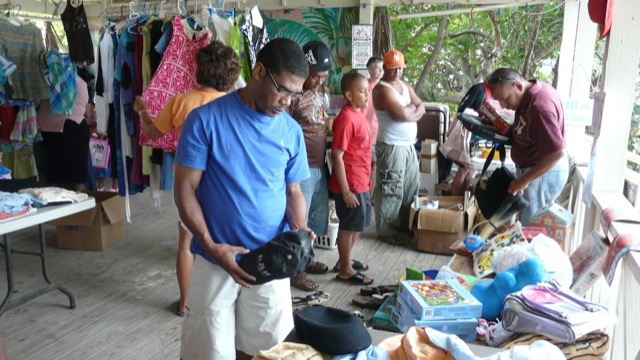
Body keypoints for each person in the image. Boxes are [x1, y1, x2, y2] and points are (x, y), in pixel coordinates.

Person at [174, 38, 312, 360]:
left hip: (271, 260)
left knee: (267, 352)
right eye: (283, 90)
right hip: (214, 259)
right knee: (208, 353)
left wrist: (301, 228)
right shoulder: (205, 120)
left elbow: (293, 192)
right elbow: (184, 190)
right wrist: (210, 245)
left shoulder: (290, 132)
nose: (288, 101)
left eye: (296, 93)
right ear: (259, 70)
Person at [133, 41, 240, 317]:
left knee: (187, 244)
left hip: (190, 187)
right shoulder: (237, 104)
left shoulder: (182, 101)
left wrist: (143, 110)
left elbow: (153, 134)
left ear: (199, 69)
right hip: (225, 186)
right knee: (225, 241)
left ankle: (183, 302)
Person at [485, 68, 569, 225]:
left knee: (531, 227)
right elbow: (529, 129)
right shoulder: (527, 98)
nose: (503, 106)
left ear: (517, 85)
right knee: (529, 223)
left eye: (505, 99)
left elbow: (557, 153)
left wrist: (524, 181)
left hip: (542, 172)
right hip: (536, 170)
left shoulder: (539, 107)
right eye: (499, 101)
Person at [286, 40, 332, 291]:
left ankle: (308, 258)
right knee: (298, 220)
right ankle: (297, 270)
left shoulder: (321, 94)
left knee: (314, 220)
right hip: (300, 168)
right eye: (315, 76)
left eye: (323, 77)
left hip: (319, 165)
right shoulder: (292, 96)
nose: (318, 81)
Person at [371, 50, 425, 245]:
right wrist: (411, 110)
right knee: (391, 187)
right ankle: (386, 230)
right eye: (393, 69)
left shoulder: (404, 85)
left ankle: (403, 225)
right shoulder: (382, 89)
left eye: (400, 68)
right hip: (391, 146)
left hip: (409, 145)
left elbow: (422, 106)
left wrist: (410, 111)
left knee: (410, 185)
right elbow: (400, 115)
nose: (397, 72)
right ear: (385, 68)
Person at [329, 72, 374, 285]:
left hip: (361, 181)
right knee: (348, 225)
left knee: (359, 223)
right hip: (349, 185)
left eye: (368, 90)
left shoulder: (358, 115)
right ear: (348, 94)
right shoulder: (346, 118)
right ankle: (345, 270)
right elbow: (336, 155)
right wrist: (345, 191)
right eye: (362, 91)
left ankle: (342, 261)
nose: (367, 94)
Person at [37, 69, 94, 191]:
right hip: (68, 131)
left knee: (65, 182)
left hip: (64, 132)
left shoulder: (50, 78)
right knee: (73, 182)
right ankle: (85, 209)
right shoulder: (78, 81)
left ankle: (85, 209)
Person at [362, 56, 383, 202]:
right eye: (378, 67)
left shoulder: (383, 88)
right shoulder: (364, 87)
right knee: (366, 166)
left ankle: (370, 196)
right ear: (369, 69)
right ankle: (365, 195)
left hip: (378, 133)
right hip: (364, 133)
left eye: (383, 68)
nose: (382, 71)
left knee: (375, 166)